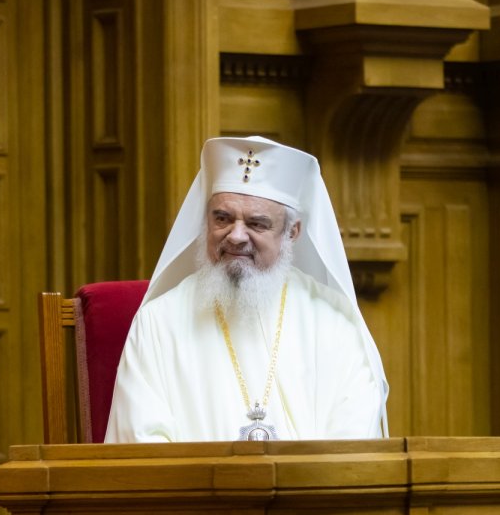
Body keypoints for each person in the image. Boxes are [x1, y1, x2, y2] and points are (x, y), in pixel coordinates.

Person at [105, 135, 389, 442]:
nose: (236, 236)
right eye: (223, 218)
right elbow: (142, 445)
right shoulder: (158, 322)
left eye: (257, 223)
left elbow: (353, 449)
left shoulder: (336, 323)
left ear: (292, 233)